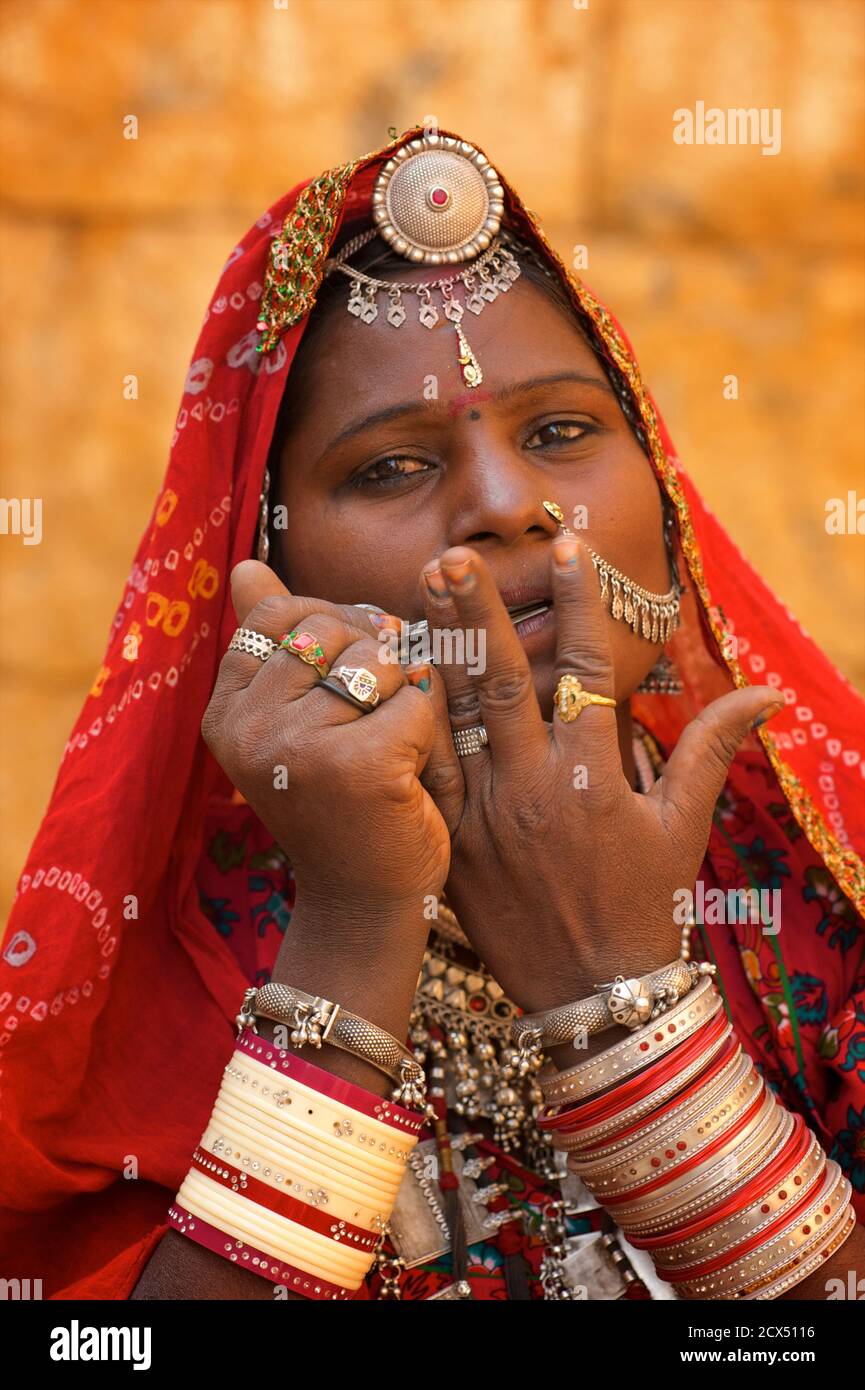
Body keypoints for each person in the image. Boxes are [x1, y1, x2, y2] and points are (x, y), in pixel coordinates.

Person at [1, 126, 862, 1303]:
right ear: (269, 552)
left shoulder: (823, 887)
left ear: (658, 479)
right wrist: (357, 931)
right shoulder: (154, 968)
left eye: (560, 434)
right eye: (390, 468)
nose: (509, 507)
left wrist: (614, 1003)